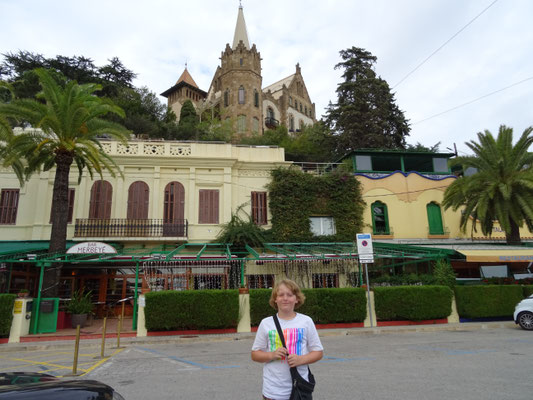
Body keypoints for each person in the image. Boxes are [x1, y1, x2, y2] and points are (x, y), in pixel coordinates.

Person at [251, 279, 323, 400]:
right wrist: (271, 355)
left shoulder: (306, 321)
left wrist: (301, 359)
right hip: (273, 390)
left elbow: (318, 352)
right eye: (281, 295)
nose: (285, 298)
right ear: (275, 299)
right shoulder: (266, 323)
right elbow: (255, 354)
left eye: (290, 295)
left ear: (297, 299)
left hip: (299, 388)